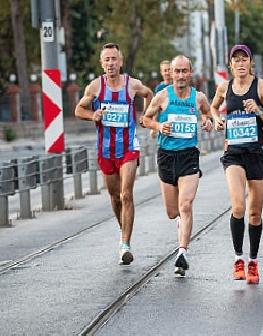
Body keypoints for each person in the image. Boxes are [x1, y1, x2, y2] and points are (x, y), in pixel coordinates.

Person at [74, 42, 153, 265]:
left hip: (128, 148)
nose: (111, 63)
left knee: (126, 194)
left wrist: (145, 116)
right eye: (106, 59)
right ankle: (124, 232)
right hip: (105, 150)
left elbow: (149, 93)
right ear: (102, 63)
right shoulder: (95, 87)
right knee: (114, 196)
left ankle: (125, 244)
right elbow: (78, 109)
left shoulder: (132, 84)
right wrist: (93, 115)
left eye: (114, 59)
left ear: (121, 62)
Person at [211, 44, 263, 284]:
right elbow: (213, 106)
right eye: (236, 60)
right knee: (238, 206)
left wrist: (258, 111)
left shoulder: (261, 86)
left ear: (251, 63)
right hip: (234, 155)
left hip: (256, 153)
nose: (240, 64)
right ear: (231, 65)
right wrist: (217, 119)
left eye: (244, 59)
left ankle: (253, 261)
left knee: (255, 213)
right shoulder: (224, 87)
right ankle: (238, 258)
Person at [142, 55, 213, 277]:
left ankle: (182, 252)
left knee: (186, 204)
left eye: (184, 71)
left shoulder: (198, 97)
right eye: (177, 71)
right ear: (171, 73)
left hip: (189, 156)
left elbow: (208, 114)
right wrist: (158, 124)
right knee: (173, 212)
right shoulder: (162, 96)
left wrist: (209, 121)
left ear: (190, 73)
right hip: (166, 156)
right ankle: (180, 226)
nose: (181, 75)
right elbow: (145, 119)